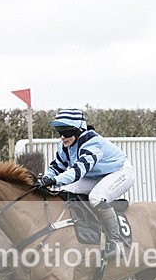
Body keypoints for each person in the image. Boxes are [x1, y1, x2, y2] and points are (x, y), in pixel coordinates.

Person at [34, 108, 135, 260]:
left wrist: (54, 181)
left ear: (78, 130)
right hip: (95, 175)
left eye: (66, 132)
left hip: (120, 172)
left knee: (96, 197)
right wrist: (46, 179)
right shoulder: (64, 145)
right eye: (60, 132)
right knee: (65, 192)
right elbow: (57, 167)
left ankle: (116, 242)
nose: (62, 137)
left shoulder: (92, 142)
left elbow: (77, 171)